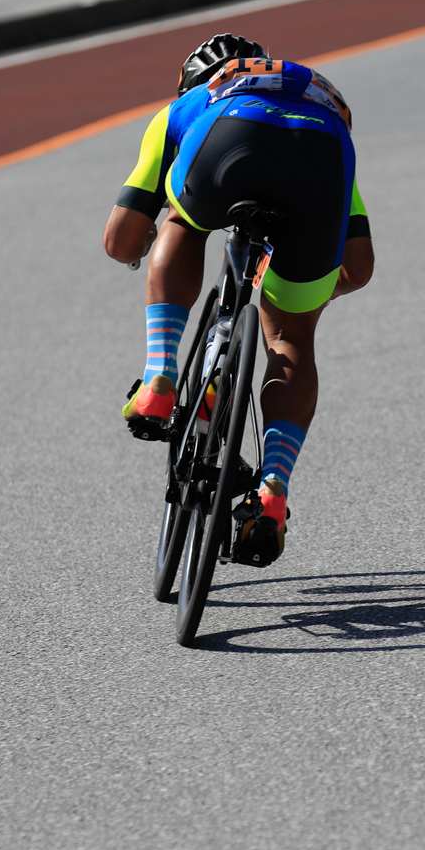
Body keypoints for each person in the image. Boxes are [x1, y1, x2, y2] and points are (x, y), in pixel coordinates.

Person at [102, 33, 374, 567]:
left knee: (183, 221)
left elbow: (120, 240)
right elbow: (358, 267)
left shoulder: (187, 104)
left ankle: (160, 378)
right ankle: (271, 491)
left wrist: (147, 246)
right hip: (323, 151)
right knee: (291, 337)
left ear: (187, 81)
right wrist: (299, 303)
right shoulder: (316, 97)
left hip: (226, 141)